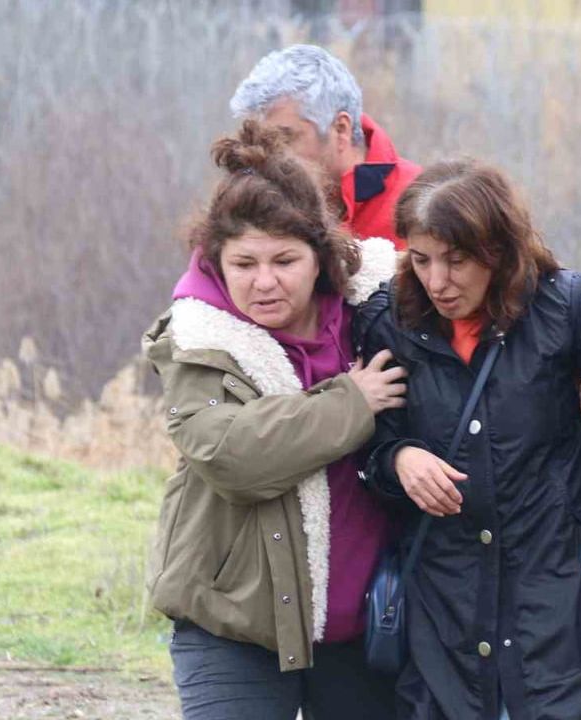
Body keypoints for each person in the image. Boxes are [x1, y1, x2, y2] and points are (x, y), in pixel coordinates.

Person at [357, 159, 581, 720]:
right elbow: (367, 446)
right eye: (421, 259)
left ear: (497, 249)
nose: (437, 281)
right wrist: (400, 459)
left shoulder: (569, 312)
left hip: (557, 601)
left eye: (456, 261)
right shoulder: (389, 321)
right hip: (444, 604)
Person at [142, 119, 405, 720]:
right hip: (233, 622)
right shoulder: (198, 339)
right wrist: (352, 403)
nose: (264, 282)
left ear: (322, 256)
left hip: (365, 624)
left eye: (285, 259)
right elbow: (230, 453)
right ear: (216, 262)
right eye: (244, 263)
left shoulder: (379, 306)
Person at [229, 43, 421, 247]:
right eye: (260, 139)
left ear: (341, 129)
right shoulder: (254, 199)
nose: (268, 154)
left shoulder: (419, 200)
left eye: (284, 138)